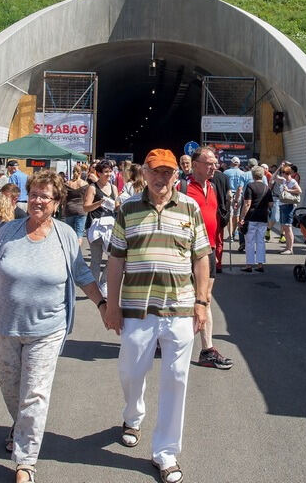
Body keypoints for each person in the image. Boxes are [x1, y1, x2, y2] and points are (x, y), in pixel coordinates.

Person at [0, 170, 107, 483]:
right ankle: (21, 426)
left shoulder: (64, 236)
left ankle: (25, 463)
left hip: (47, 329)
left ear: (57, 202)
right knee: (11, 387)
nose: (38, 200)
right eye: (34, 194)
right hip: (3, 325)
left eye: (45, 196)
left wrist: (103, 305)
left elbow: (83, 275)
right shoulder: (8, 231)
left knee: (34, 393)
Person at [103, 149, 211, 483]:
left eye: (167, 172)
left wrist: (202, 302)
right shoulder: (128, 209)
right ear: (144, 175)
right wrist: (112, 305)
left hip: (180, 309)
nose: (161, 178)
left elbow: (201, 258)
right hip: (138, 309)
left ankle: (165, 453)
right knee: (131, 371)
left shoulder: (190, 208)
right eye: (155, 172)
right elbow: (117, 260)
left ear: (177, 175)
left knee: (176, 380)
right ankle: (133, 415)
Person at [181, 146, 233, 370]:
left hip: (208, 250)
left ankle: (207, 349)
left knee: (205, 298)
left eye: (215, 163)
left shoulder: (212, 186)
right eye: (209, 163)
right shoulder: (182, 188)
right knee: (184, 297)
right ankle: (172, 341)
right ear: (195, 165)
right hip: (187, 252)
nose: (214, 167)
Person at [83, 160, 119, 292]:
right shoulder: (93, 188)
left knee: (113, 257)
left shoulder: (114, 188)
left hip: (111, 226)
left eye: (110, 171)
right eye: (106, 172)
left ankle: (103, 282)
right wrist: (99, 203)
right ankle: (94, 289)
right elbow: (86, 208)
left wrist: (119, 206)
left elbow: (116, 208)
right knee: (96, 259)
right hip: (95, 226)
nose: (109, 174)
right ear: (98, 173)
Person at [239, 165, 273, 273]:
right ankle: (260, 264)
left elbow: (247, 203)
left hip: (251, 217)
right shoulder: (266, 188)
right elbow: (271, 204)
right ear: (262, 175)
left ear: (253, 175)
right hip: (263, 217)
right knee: (260, 241)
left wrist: (242, 217)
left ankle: (249, 265)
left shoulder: (250, 186)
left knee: (249, 241)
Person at [276, 164, 302, 254]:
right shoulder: (284, 181)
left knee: (288, 226)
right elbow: (273, 177)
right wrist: (280, 167)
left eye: (283, 172)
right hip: (283, 205)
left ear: (287, 173)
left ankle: (290, 248)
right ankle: (287, 247)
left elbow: (299, 191)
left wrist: (288, 190)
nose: (282, 174)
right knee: (285, 227)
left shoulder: (292, 181)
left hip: (289, 205)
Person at [62, 163, 90, 244]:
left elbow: (64, 199)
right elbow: (86, 199)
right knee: (79, 235)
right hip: (81, 210)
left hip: (69, 210)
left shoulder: (67, 184)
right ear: (81, 173)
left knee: (70, 234)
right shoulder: (85, 184)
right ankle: (77, 253)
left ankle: (71, 252)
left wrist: (63, 210)